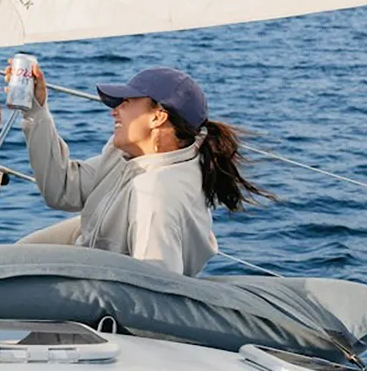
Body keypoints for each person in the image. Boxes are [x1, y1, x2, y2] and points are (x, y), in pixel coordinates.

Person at [15, 64, 274, 276]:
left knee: (9, 274)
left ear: (158, 117)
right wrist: (36, 111)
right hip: (92, 242)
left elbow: (155, 289)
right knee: (12, 258)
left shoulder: (157, 193)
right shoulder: (127, 153)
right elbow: (63, 189)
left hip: (107, 280)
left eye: (126, 101)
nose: (114, 111)